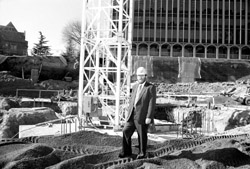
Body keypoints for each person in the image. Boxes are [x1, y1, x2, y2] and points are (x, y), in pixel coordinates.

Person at [119, 67, 156, 159]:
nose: (139, 77)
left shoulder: (150, 87)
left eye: (142, 75)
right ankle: (126, 152)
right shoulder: (135, 86)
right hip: (132, 114)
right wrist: (127, 113)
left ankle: (142, 153)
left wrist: (149, 117)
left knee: (142, 135)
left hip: (142, 116)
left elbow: (152, 103)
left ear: (145, 76)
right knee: (125, 131)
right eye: (138, 75)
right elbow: (132, 101)